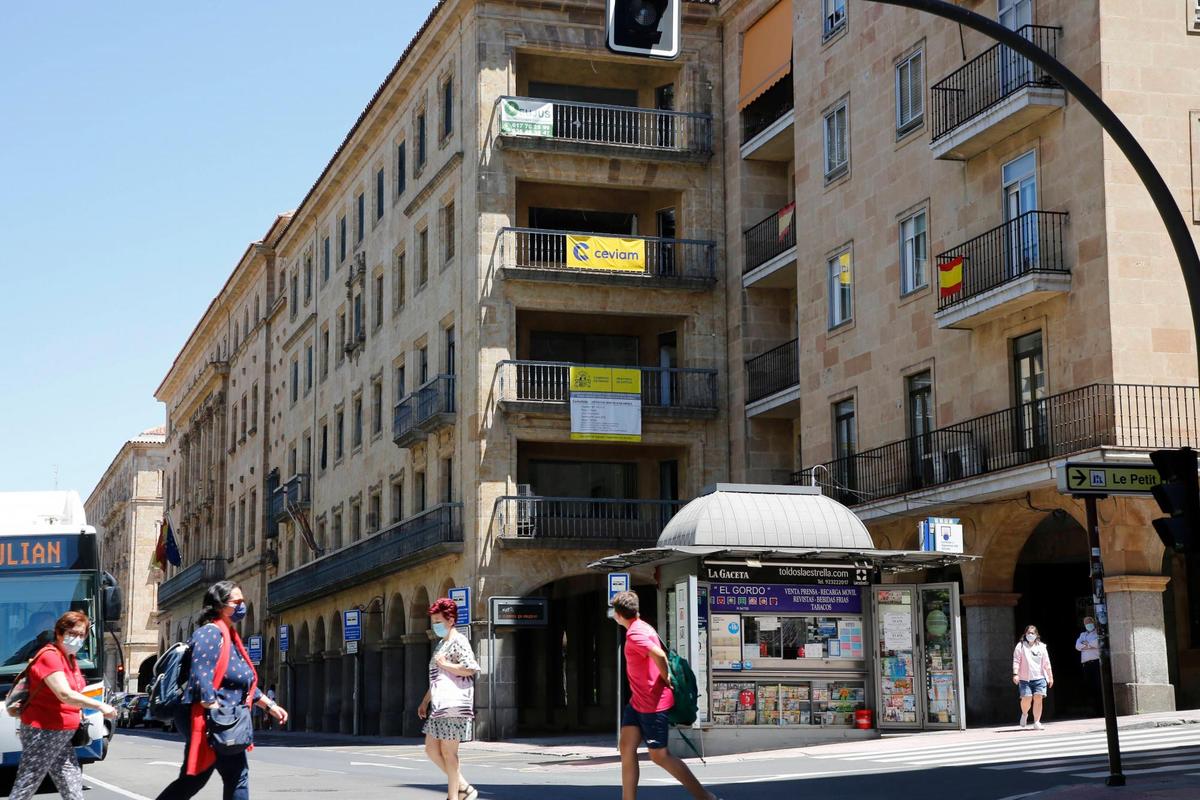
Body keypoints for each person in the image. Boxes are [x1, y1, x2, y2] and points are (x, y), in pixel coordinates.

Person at [156, 582, 288, 800]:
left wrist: (270, 705)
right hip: (212, 718)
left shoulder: (229, 636)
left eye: (242, 601)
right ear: (219, 605)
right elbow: (201, 676)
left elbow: (239, 680)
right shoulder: (210, 634)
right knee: (236, 775)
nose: (242, 606)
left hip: (220, 717)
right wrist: (216, 714)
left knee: (195, 778)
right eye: (237, 602)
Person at [611, 591, 723, 800]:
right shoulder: (642, 627)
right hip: (637, 702)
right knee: (626, 747)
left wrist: (666, 677)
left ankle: (705, 797)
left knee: (659, 755)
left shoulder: (636, 634)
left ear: (618, 614)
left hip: (652, 704)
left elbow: (659, 654)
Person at [9, 611, 118, 800]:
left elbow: (75, 691)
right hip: (43, 731)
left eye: (81, 635)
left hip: (60, 732)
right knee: (27, 783)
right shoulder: (50, 657)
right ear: (59, 633)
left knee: (71, 780)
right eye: (71, 634)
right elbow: (65, 694)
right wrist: (100, 706)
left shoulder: (69, 658)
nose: (76, 639)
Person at [418, 597, 480, 800]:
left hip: (454, 705)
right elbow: (438, 677)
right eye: (434, 622)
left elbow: (471, 668)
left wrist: (446, 665)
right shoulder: (441, 644)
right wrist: (425, 700)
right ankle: (463, 787)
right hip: (440, 704)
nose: (435, 626)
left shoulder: (459, 640)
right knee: (430, 748)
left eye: (439, 621)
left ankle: (454, 796)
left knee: (448, 752)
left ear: (451, 620)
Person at [1013, 624, 1054, 730]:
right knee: (1026, 698)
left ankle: (1037, 721)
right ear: (1025, 634)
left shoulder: (1042, 647)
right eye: (1028, 633)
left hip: (1039, 678)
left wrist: (1050, 677)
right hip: (1025, 679)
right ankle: (1025, 713)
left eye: (1032, 633)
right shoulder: (1021, 646)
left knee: (1038, 698)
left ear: (1036, 635)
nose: (1030, 635)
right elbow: (1016, 660)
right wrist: (1015, 674)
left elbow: (1046, 663)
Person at [1075, 616, 1102, 716]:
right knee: (1090, 688)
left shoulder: (1098, 633)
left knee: (1098, 687)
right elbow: (1077, 646)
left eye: (1089, 622)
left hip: (1096, 663)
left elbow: (1098, 643)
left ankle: (1101, 710)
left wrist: (1087, 645)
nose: (1088, 624)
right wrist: (1089, 645)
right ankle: (1092, 710)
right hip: (1086, 665)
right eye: (1086, 623)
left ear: (1093, 622)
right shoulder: (1083, 634)